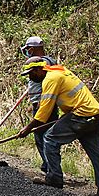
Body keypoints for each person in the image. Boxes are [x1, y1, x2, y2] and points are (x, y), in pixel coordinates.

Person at [17, 57, 99, 196]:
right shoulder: (59, 70)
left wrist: (27, 129)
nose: (30, 78)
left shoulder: (50, 79)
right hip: (95, 115)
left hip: (81, 116)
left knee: (50, 139)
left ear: (38, 70)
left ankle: (54, 178)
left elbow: (44, 111)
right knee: (98, 156)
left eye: (30, 74)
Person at [19, 36, 59, 174]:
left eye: (28, 49)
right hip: (42, 102)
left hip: (45, 104)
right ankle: (47, 165)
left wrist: (39, 102)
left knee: (42, 135)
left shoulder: (43, 63)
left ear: (32, 48)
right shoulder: (45, 62)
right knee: (43, 135)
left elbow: (47, 84)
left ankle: (50, 168)